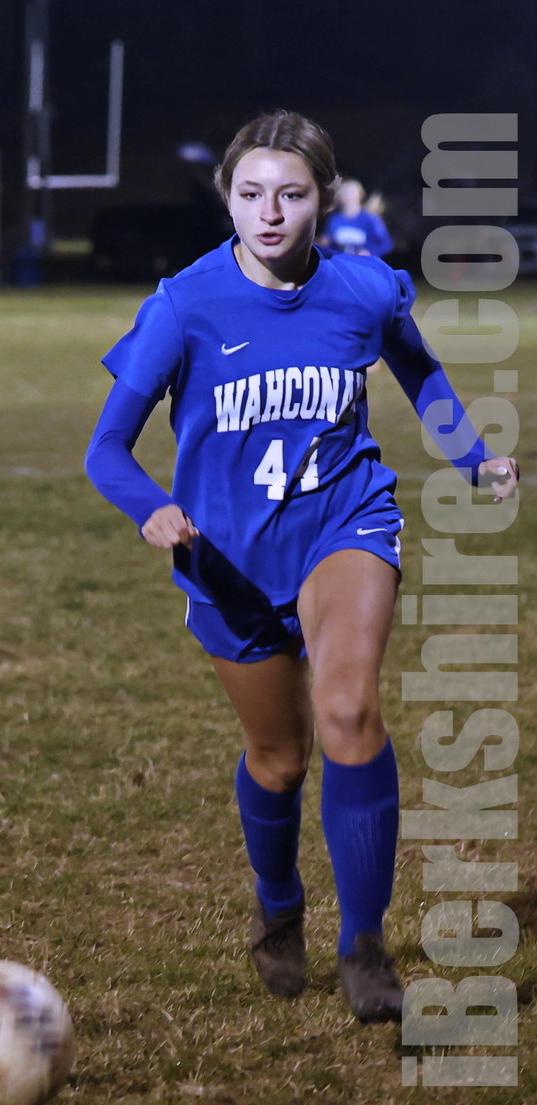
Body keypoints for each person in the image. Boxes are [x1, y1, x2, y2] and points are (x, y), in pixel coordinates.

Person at [86, 111, 518, 1023]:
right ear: (227, 199)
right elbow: (106, 449)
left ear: (324, 197)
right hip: (228, 560)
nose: (270, 213)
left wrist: (472, 455)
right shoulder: (184, 306)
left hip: (343, 524)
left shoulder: (363, 288)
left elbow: (421, 373)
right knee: (277, 759)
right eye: (250, 194)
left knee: (348, 710)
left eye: (289, 193)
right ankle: (278, 904)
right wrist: (150, 507)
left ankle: (364, 945)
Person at [320, 177, 393, 258]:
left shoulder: (371, 219)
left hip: (363, 263)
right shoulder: (334, 219)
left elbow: (386, 244)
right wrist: (324, 243)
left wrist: (370, 252)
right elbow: (330, 244)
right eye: (344, 192)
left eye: (350, 192)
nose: (347, 196)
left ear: (359, 195)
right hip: (342, 262)